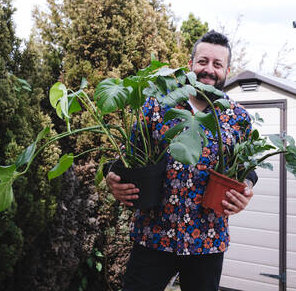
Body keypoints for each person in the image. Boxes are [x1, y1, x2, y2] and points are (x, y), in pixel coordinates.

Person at [107, 30, 257, 291]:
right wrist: (113, 177)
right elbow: (127, 152)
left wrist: (246, 188)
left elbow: (246, 168)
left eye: (217, 64)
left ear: (227, 70)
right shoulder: (158, 104)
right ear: (190, 65)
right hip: (154, 236)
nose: (209, 69)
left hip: (207, 241)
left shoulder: (238, 117)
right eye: (202, 62)